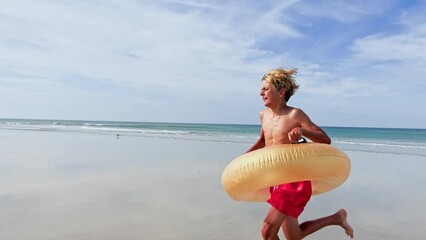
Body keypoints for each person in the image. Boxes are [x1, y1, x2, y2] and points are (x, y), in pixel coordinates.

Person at [246, 68, 354, 240]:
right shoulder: (263, 115)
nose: (261, 92)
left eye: (266, 89)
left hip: (294, 182)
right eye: (261, 89)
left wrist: (302, 131)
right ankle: (337, 218)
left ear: (281, 92)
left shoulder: (294, 114)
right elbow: (263, 140)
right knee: (294, 236)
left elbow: (325, 139)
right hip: (276, 179)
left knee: (267, 230)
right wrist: (244, 159)